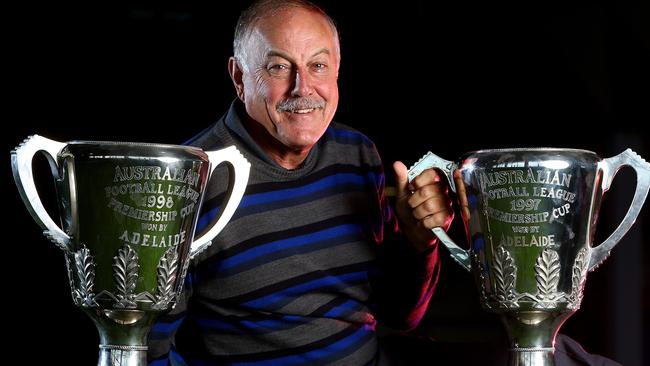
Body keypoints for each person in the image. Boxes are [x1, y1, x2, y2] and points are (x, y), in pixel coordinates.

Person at [147, 0, 453, 365]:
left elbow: (400, 316)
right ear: (239, 77)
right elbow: (146, 347)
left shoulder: (357, 155)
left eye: (318, 66)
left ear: (337, 72)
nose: (302, 88)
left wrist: (419, 243)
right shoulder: (189, 180)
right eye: (278, 67)